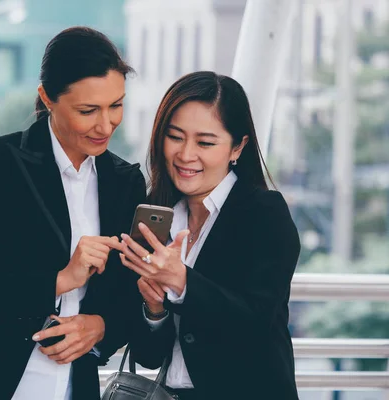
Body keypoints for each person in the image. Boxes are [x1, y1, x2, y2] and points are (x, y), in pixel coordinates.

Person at [0, 26, 146, 400]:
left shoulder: (125, 182)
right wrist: (61, 279)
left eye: (116, 105)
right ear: (47, 98)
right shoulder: (1, 165)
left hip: (72, 388)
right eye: (87, 110)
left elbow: (128, 300)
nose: (105, 124)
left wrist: (99, 326)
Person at [119, 71, 301, 400]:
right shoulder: (157, 219)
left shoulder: (263, 213)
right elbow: (148, 356)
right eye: (175, 136)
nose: (186, 154)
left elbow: (256, 324)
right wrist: (154, 309)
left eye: (205, 142)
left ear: (238, 147)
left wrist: (182, 282)